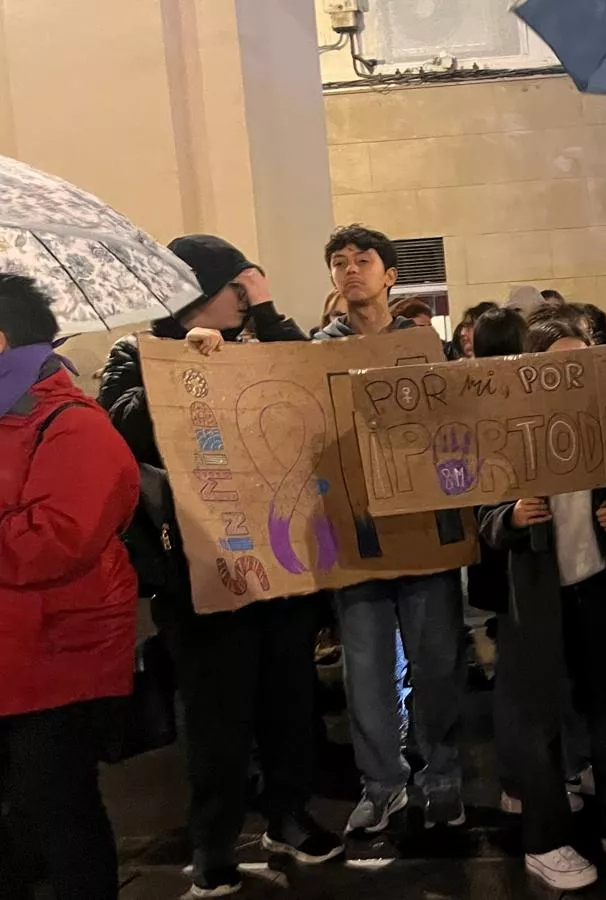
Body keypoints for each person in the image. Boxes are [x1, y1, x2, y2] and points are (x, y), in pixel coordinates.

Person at [98, 236, 344, 895]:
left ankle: (288, 815)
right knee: (216, 714)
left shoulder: (259, 342)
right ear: (196, 292)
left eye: (247, 289)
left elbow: (314, 386)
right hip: (200, 570)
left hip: (280, 559)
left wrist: (267, 312)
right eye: (234, 287)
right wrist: (185, 368)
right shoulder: (139, 353)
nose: (244, 298)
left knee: (289, 699)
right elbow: (125, 435)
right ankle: (213, 843)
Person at [475, 313, 606, 890]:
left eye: (580, 361)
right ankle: (545, 839)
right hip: (535, 600)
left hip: (597, 589)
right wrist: (510, 518)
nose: (569, 373)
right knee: (538, 722)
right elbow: (479, 513)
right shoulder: (507, 429)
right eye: (557, 362)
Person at [313, 224, 469, 835]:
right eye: (339, 262)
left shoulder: (426, 347)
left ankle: (442, 776)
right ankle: (381, 786)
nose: (350, 270)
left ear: (390, 275)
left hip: (425, 530)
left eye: (363, 260)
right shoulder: (315, 352)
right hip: (355, 535)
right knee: (367, 671)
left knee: (436, 664)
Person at [0, 274, 139, 900]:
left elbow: (55, 538)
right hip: (12, 658)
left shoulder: (73, 424)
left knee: (59, 811)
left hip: (53, 663)